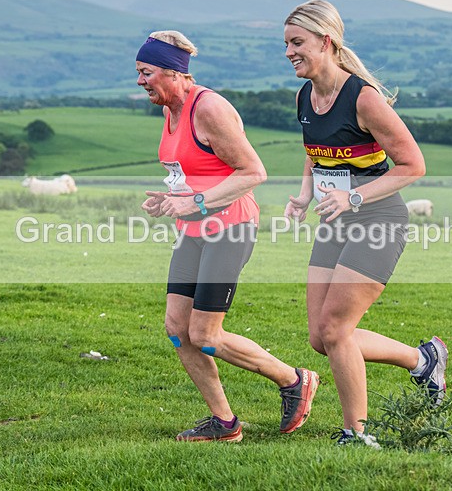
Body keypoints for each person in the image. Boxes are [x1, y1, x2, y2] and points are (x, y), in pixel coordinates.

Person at [136, 30, 319, 442]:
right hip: (193, 229)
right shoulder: (170, 111)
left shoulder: (209, 108)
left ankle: (294, 380)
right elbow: (199, 170)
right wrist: (173, 200)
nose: (140, 80)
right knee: (177, 328)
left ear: (173, 72)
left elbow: (253, 172)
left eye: (146, 72)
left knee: (205, 334)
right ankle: (224, 423)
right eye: (139, 72)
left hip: (230, 228)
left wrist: (196, 202)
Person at [282, 0, 447, 444]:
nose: (289, 52)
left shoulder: (364, 98)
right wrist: (304, 195)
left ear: (325, 42)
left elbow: (413, 165)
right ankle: (423, 360)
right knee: (321, 337)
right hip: (335, 221)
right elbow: (315, 150)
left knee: (336, 329)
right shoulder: (305, 96)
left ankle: (357, 433)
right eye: (286, 44)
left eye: (297, 42)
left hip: (378, 218)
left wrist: (353, 195)